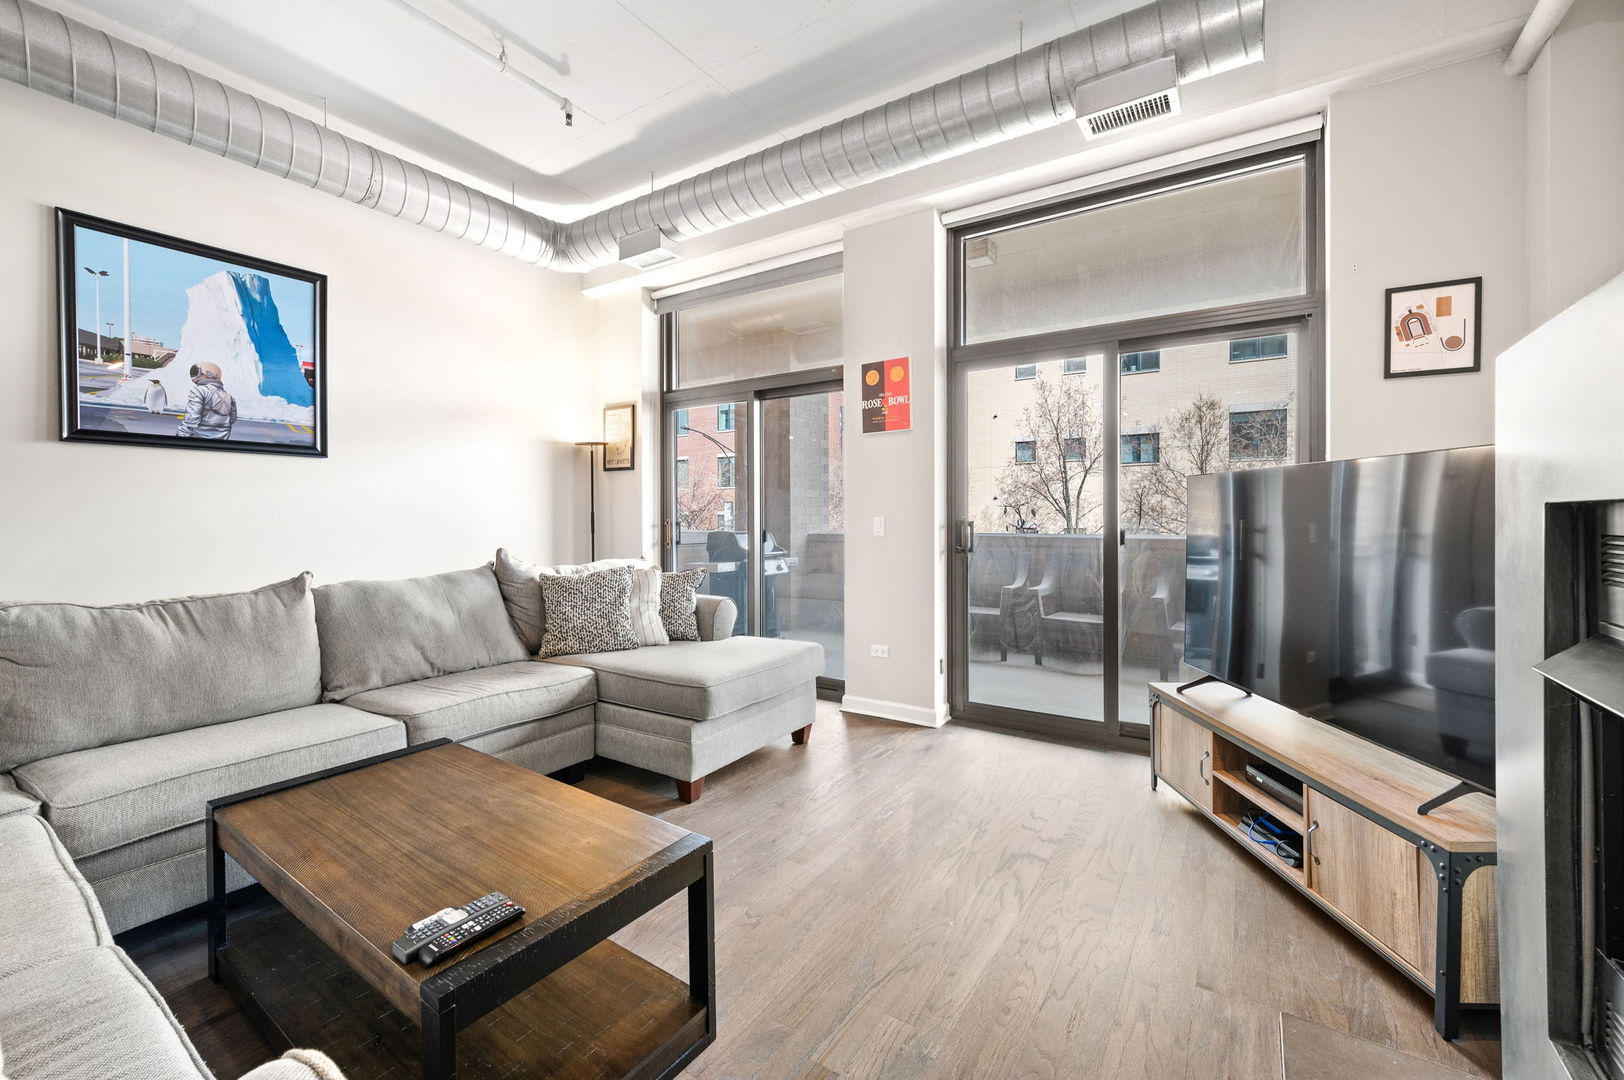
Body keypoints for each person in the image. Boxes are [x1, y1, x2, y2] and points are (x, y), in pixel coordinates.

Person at [175, 361, 236, 440]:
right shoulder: (229, 396)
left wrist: (180, 437)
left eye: (196, 372)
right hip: (223, 436)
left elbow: (191, 420)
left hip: (200, 435)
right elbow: (233, 419)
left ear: (209, 374)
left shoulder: (198, 391)